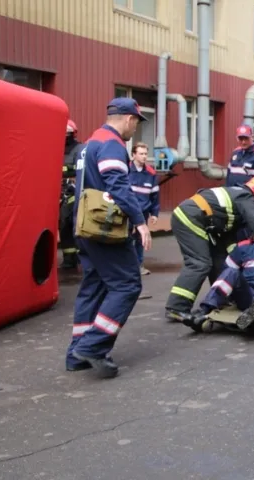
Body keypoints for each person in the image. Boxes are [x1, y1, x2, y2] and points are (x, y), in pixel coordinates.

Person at [65, 98, 152, 379]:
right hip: (105, 231)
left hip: (85, 227)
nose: (135, 129)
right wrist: (140, 222)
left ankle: (76, 353)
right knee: (127, 285)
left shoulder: (90, 143)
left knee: (95, 286)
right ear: (129, 119)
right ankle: (92, 347)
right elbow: (118, 186)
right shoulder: (112, 144)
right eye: (137, 122)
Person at [164, 177, 254, 323]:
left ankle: (222, 297)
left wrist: (239, 259)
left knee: (219, 259)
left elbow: (230, 238)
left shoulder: (236, 198)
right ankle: (177, 307)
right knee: (200, 263)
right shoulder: (245, 196)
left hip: (197, 218)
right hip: (191, 218)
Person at [128, 142, 160, 276]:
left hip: (143, 212)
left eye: (146, 154)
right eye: (141, 154)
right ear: (133, 155)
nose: (144, 157)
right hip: (127, 211)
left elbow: (155, 195)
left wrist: (154, 213)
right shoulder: (126, 170)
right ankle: (125, 266)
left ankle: (139, 266)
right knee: (125, 238)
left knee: (141, 239)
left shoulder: (151, 173)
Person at [59, 119, 85, 270]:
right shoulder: (55, 147)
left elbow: (78, 169)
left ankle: (80, 256)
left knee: (73, 224)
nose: (65, 137)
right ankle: (69, 258)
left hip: (72, 191)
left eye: (67, 134)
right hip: (57, 191)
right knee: (63, 226)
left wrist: (62, 169)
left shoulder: (80, 149)